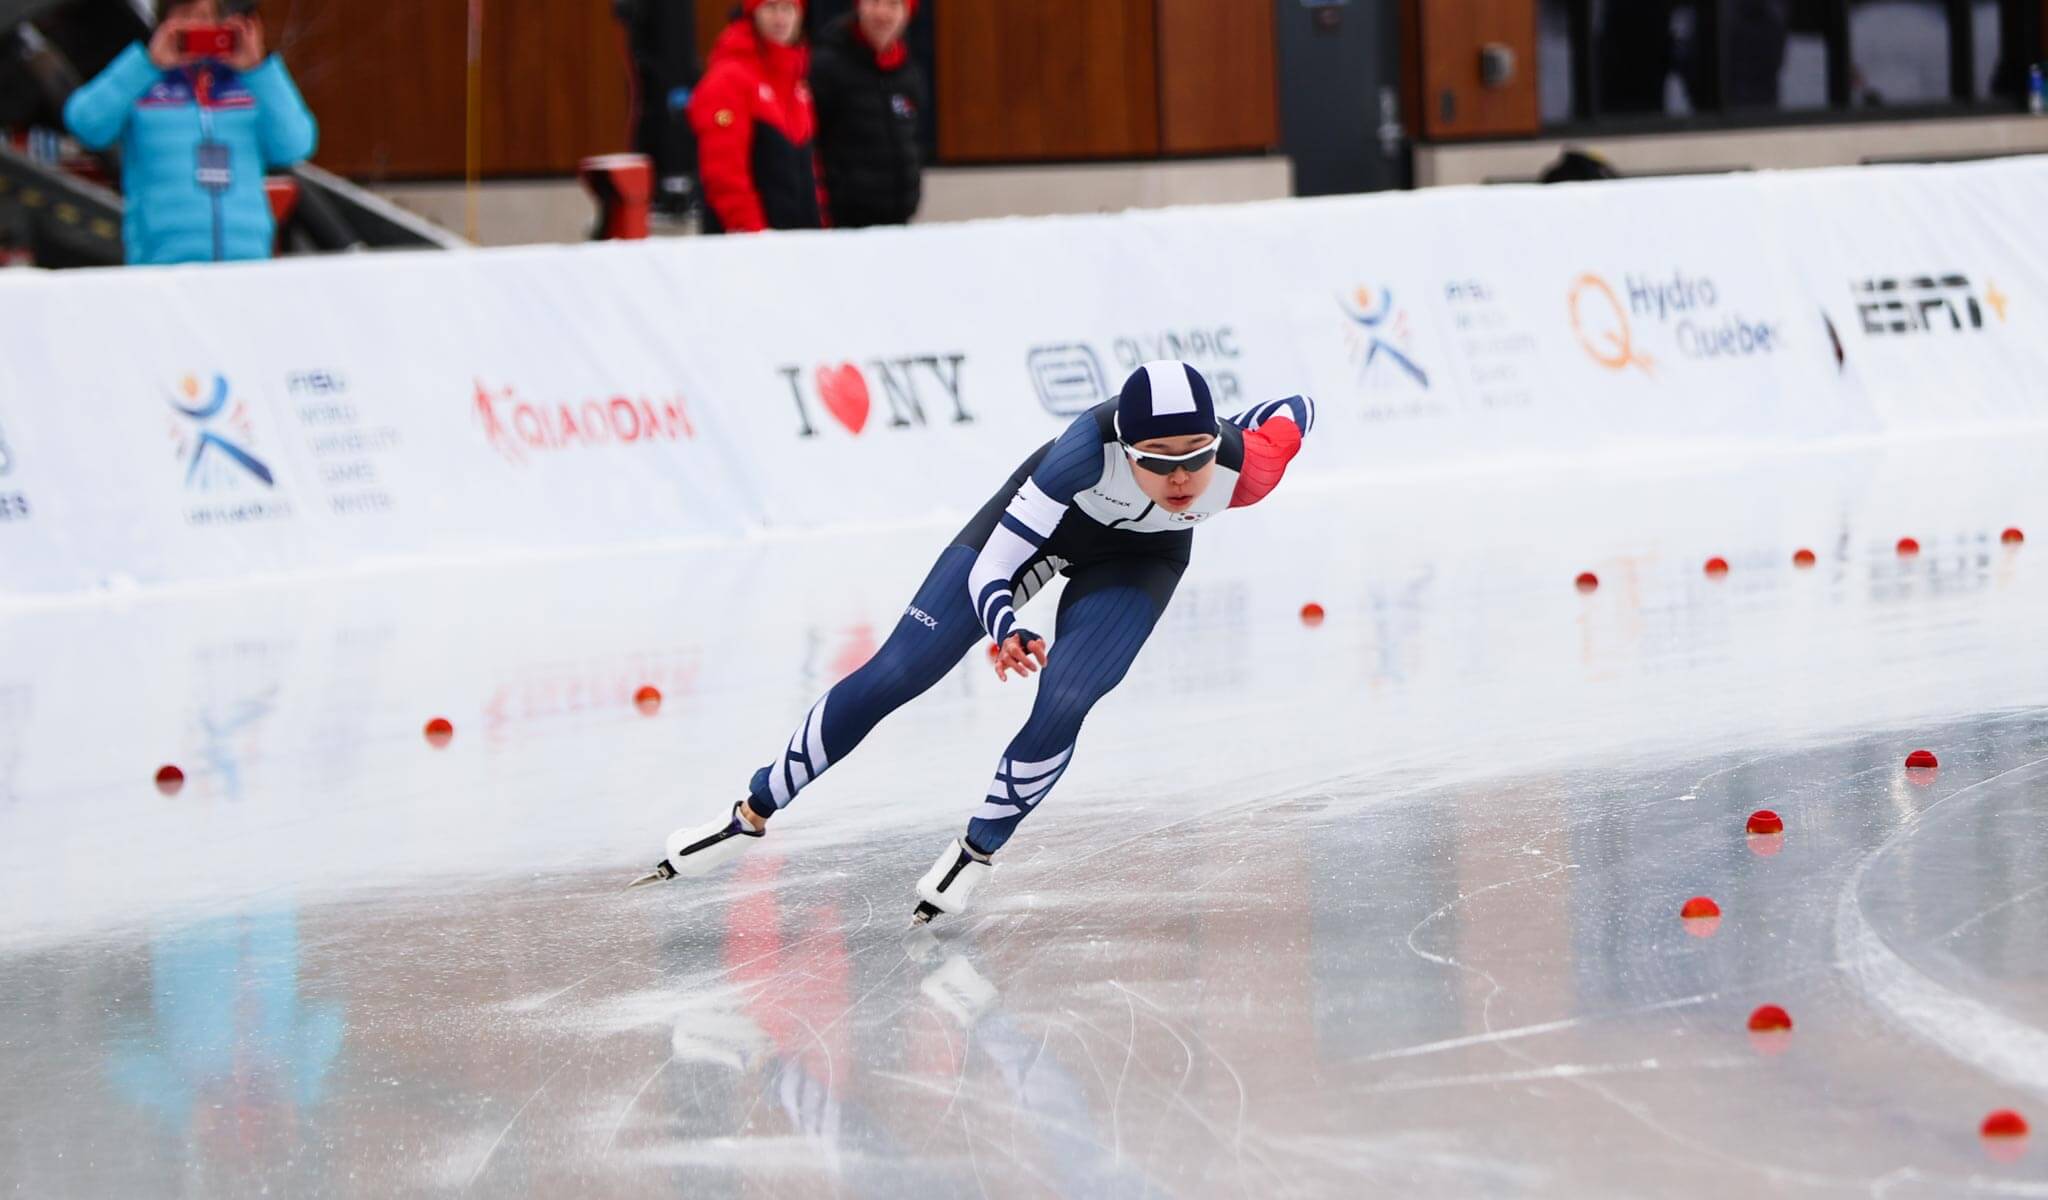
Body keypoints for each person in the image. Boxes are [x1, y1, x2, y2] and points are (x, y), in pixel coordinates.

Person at [632, 362, 1317, 923]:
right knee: (900, 670)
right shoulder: (1080, 454)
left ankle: (976, 851)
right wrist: (1007, 625)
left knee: (1068, 695)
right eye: (1155, 461)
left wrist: (1244, 422)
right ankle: (750, 811)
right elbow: (994, 568)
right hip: (1041, 533)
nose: (1178, 479)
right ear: (1124, 448)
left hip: (1139, 561)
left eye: (1194, 458)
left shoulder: (1246, 469)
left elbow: (1296, 402)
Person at [62, 0, 315, 266]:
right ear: (163, 22)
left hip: (246, 262)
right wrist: (147, 64)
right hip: (161, 264)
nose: (198, 25)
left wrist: (258, 71)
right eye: (186, 15)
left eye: (208, 16)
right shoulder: (141, 83)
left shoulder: (252, 86)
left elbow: (296, 144)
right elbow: (85, 124)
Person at [689, 0, 822, 234]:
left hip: (800, 245)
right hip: (751, 248)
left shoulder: (797, 79)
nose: (780, 19)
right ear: (752, 13)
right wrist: (753, 237)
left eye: (788, 9)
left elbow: (810, 170)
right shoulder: (728, 78)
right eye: (771, 7)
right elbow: (724, 173)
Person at [809, 0, 925, 228]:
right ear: (859, 7)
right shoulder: (826, 65)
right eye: (874, 2)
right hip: (842, 225)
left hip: (898, 219)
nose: (882, 13)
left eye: (893, 5)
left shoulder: (908, 72)